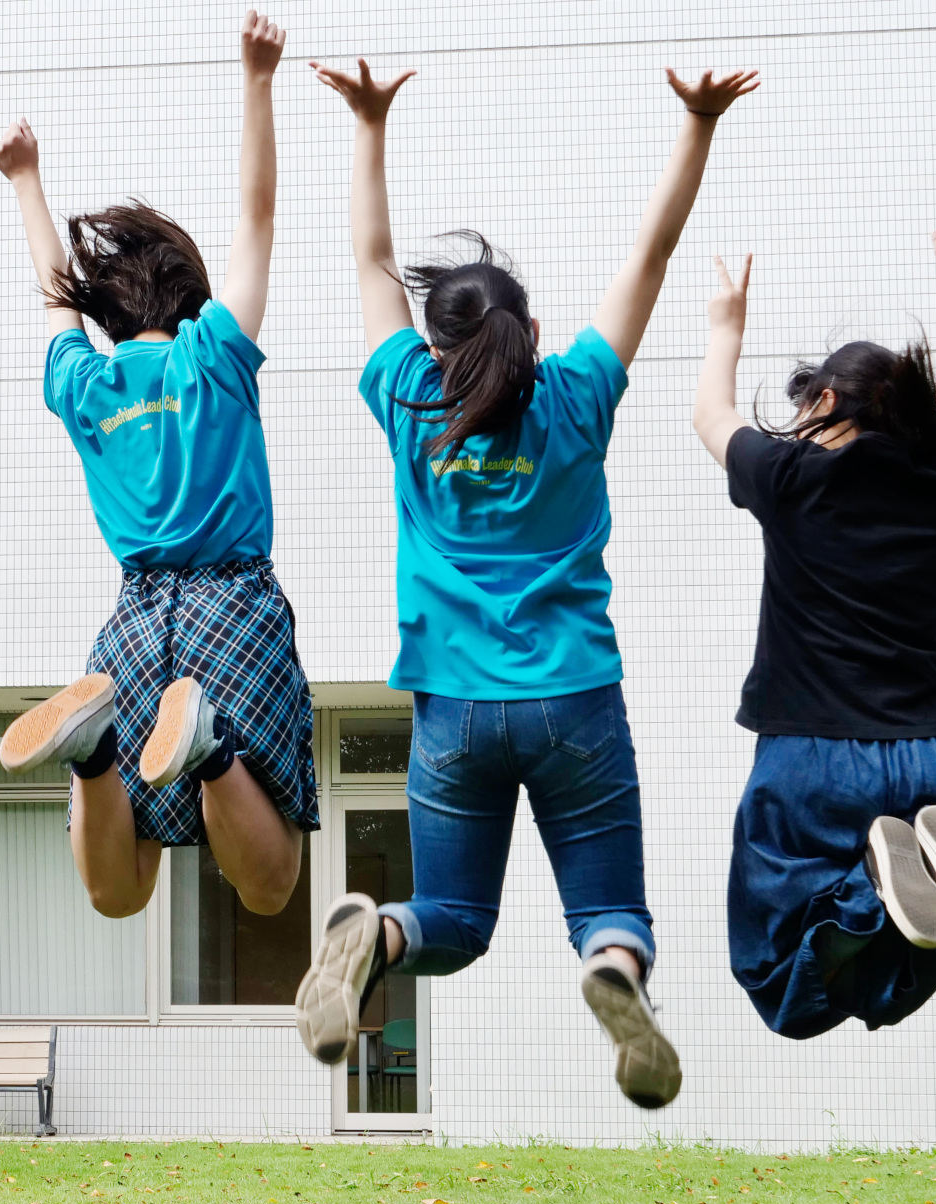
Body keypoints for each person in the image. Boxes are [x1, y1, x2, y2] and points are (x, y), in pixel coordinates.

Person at [298, 59, 759, 1108]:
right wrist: (696, 124)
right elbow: (652, 252)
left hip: (455, 708)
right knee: (612, 913)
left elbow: (370, 256)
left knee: (452, 924)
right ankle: (611, 969)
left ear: (436, 341)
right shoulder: (578, 397)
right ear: (533, 336)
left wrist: (368, 124)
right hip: (575, 700)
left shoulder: (409, 397)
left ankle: (378, 933)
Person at [0, 10, 316, 922]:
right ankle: (209, 748)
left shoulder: (87, 382)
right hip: (233, 600)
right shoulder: (213, 354)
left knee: (119, 890)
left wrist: (26, 180)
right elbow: (260, 218)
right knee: (271, 883)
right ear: (192, 292)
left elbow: (57, 297)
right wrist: (257, 81)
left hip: (135, 618)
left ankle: (94, 746)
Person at [691, 238, 936, 1039]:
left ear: (827, 400)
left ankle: (869, 895)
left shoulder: (792, 480)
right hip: (934, 756)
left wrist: (726, 324)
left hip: (814, 760)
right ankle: (915, 868)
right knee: (907, 959)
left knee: (775, 975)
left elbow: (709, 414)